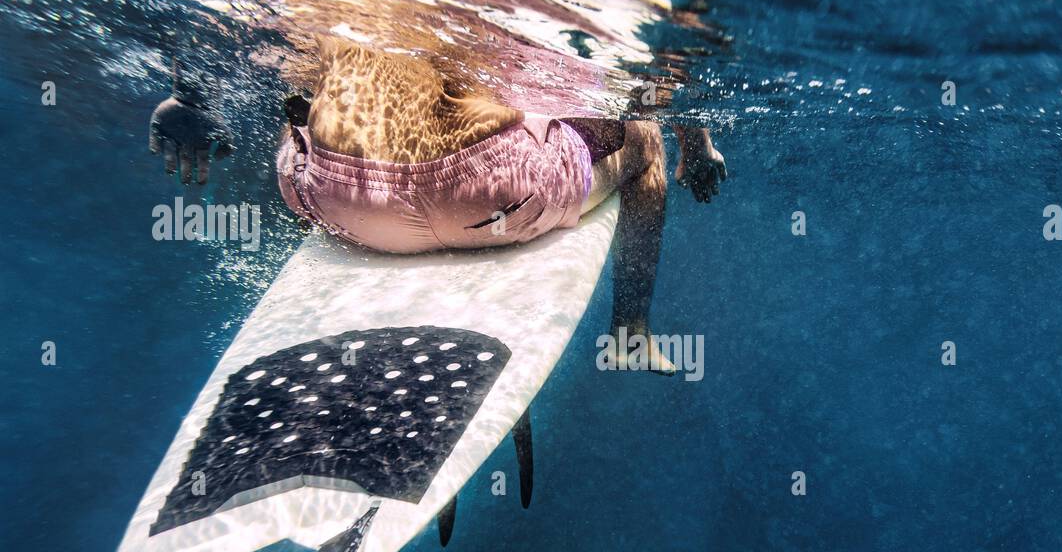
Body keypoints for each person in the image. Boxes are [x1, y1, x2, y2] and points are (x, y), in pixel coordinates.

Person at [149, 34, 725, 376]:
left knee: (302, 100)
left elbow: (224, 28)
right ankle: (630, 333)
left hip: (328, 194)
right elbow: (666, 67)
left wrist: (187, 96)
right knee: (645, 135)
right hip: (485, 193)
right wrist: (695, 145)